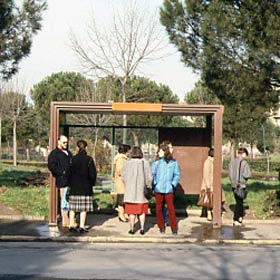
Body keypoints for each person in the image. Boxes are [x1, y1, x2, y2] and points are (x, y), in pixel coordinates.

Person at [151, 141, 180, 234]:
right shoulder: (156, 163)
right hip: (158, 189)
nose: (158, 153)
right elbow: (152, 175)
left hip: (169, 189)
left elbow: (177, 174)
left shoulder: (174, 162)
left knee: (171, 208)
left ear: (165, 151)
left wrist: (173, 184)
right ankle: (161, 226)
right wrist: (155, 184)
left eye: (160, 151)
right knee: (159, 209)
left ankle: (174, 227)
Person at [68, 140, 97, 233]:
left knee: (73, 208)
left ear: (77, 148)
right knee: (83, 209)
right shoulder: (89, 160)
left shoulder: (72, 159)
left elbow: (68, 173)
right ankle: (82, 226)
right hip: (85, 187)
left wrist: (69, 183)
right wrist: (91, 184)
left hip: (74, 186)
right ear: (86, 148)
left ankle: (71, 224)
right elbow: (93, 174)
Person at [122, 146, 152, 235]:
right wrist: (148, 185)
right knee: (142, 212)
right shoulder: (145, 163)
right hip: (141, 192)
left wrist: (127, 184)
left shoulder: (127, 163)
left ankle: (131, 229)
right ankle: (142, 229)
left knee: (131, 212)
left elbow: (123, 176)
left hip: (130, 192)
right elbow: (149, 177)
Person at [48, 135, 72, 227]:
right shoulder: (55, 154)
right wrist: (61, 172)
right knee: (64, 200)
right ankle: (65, 220)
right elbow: (51, 166)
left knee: (68, 200)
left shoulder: (68, 153)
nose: (65, 144)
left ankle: (69, 218)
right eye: (64, 142)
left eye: (66, 142)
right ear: (58, 142)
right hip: (62, 180)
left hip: (70, 180)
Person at [200, 148, 226, 221]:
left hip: (214, 183)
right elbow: (206, 174)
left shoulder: (214, 161)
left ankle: (212, 212)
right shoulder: (208, 162)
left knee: (214, 198)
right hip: (209, 184)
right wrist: (208, 185)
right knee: (209, 199)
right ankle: (209, 214)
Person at [229, 147, 251, 226]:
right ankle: (236, 219)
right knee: (239, 203)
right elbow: (247, 174)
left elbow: (230, 174)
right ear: (244, 153)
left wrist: (233, 181)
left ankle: (240, 217)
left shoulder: (232, 162)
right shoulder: (244, 163)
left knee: (238, 201)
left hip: (234, 185)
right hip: (241, 185)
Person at [113, 144, 131, 222]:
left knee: (124, 199)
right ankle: (121, 215)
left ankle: (125, 214)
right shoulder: (121, 159)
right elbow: (119, 170)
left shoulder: (123, 159)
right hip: (121, 182)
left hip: (123, 181)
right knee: (121, 199)